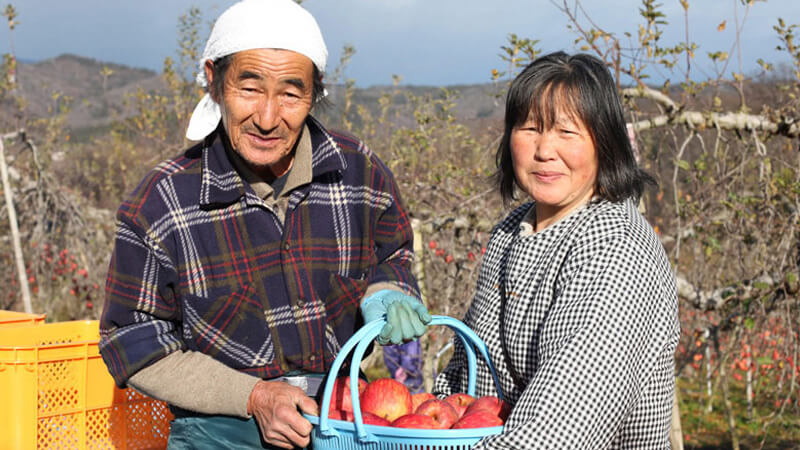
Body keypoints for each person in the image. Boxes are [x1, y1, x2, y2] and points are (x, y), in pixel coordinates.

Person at [98, 1, 431, 448]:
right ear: (214, 80)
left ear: (315, 93)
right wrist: (252, 395)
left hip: (344, 416)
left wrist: (386, 290)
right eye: (249, 89)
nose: (269, 118)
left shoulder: (358, 172)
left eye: (291, 94)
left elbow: (392, 253)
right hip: (221, 427)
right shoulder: (163, 203)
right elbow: (134, 342)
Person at [434, 51, 679, 448]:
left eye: (567, 132)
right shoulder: (511, 232)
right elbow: (464, 376)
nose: (545, 149)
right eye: (530, 128)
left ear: (605, 142)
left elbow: (559, 431)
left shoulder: (617, 249)